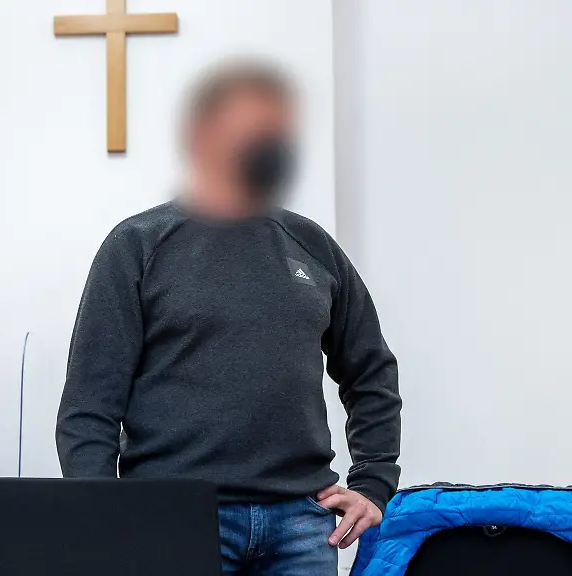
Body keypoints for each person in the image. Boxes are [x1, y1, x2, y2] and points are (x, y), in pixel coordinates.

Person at [56, 58, 401, 576]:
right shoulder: (138, 245)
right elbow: (89, 403)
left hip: (302, 525)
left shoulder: (311, 245)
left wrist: (374, 484)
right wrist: (103, 514)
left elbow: (370, 370)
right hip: (173, 519)